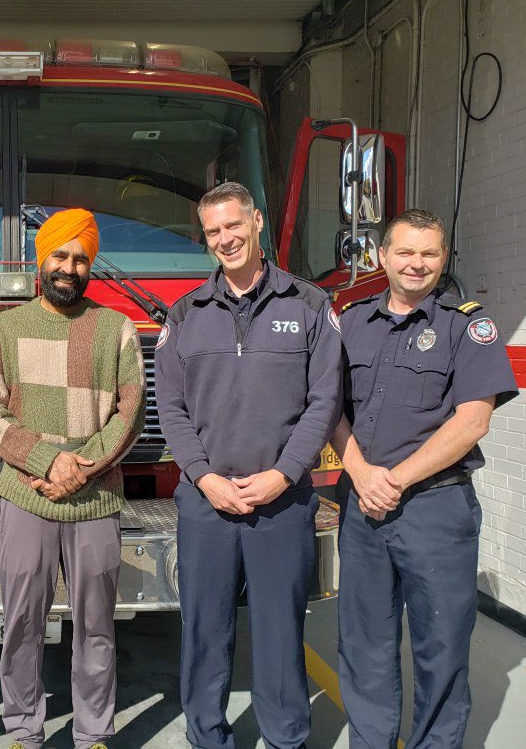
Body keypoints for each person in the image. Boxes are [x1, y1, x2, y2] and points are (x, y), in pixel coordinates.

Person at [155, 182, 342, 748]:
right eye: (213, 232)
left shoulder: (309, 305)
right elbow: (171, 406)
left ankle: (286, 735)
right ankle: (207, 734)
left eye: (233, 226)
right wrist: (206, 478)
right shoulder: (186, 313)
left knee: (280, 631)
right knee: (204, 629)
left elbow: (324, 401)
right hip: (206, 503)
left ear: (257, 222)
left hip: (281, 503)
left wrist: (283, 474)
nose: (225, 239)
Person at [331, 209, 517, 748]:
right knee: (364, 643)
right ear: (382, 257)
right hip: (362, 507)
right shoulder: (353, 322)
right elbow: (330, 409)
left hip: (435, 509)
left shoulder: (466, 326)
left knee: (441, 647)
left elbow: (473, 420)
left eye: (429, 253)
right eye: (405, 252)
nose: (417, 264)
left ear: (442, 259)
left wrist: (394, 480)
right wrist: (363, 474)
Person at [0, 208, 146, 749]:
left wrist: (81, 469)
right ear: (40, 260)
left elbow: (131, 411)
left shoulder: (116, 329)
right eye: (60, 255)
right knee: (22, 622)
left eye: (80, 258)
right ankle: (24, 729)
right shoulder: (4, 328)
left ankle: (93, 730)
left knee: (97, 626)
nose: (69, 267)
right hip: (26, 495)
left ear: (89, 265)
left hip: (96, 497)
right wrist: (49, 463)